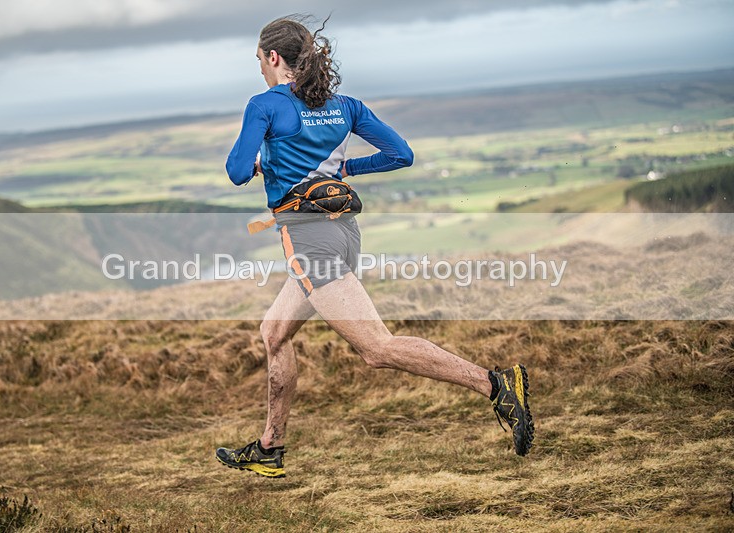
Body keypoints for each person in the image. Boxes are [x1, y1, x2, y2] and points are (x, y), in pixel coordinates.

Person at [216, 15, 534, 478]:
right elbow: (399, 154)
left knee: (376, 348)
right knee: (274, 332)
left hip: (308, 239)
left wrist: (266, 159)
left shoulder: (265, 105)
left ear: (273, 57)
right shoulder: (344, 105)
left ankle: (496, 384)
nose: (260, 71)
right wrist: (343, 173)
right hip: (345, 233)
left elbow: (238, 171)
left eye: (259, 61)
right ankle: (270, 445)